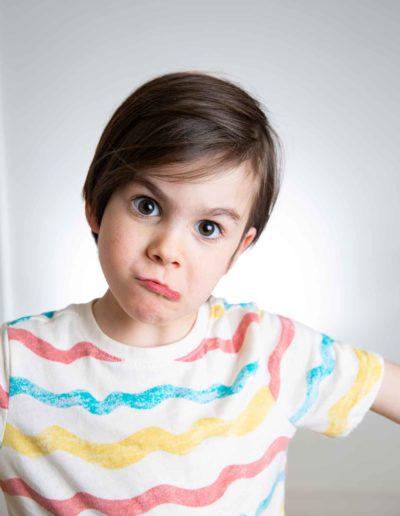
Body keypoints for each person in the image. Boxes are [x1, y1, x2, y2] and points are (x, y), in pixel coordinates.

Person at [0, 71, 398, 515]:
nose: (167, 250)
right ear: (96, 204)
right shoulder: (16, 364)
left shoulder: (266, 352)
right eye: (146, 205)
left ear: (238, 248)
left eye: (208, 228)